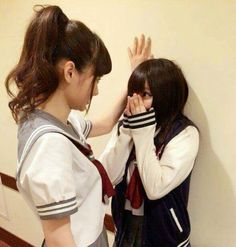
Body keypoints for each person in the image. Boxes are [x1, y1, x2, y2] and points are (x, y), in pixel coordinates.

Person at [5, 5, 152, 247]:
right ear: (70, 72)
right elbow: (59, 240)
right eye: (96, 79)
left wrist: (134, 76)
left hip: (90, 235)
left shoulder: (54, 119)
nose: (96, 90)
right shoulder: (49, 145)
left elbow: (104, 123)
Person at [100, 58, 200, 247]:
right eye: (133, 94)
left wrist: (142, 132)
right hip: (125, 226)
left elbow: (155, 188)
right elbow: (107, 177)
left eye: (145, 94)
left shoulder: (185, 134)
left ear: (166, 95)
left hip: (165, 235)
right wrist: (128, 133)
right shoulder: (127, 125)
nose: (135, 101)